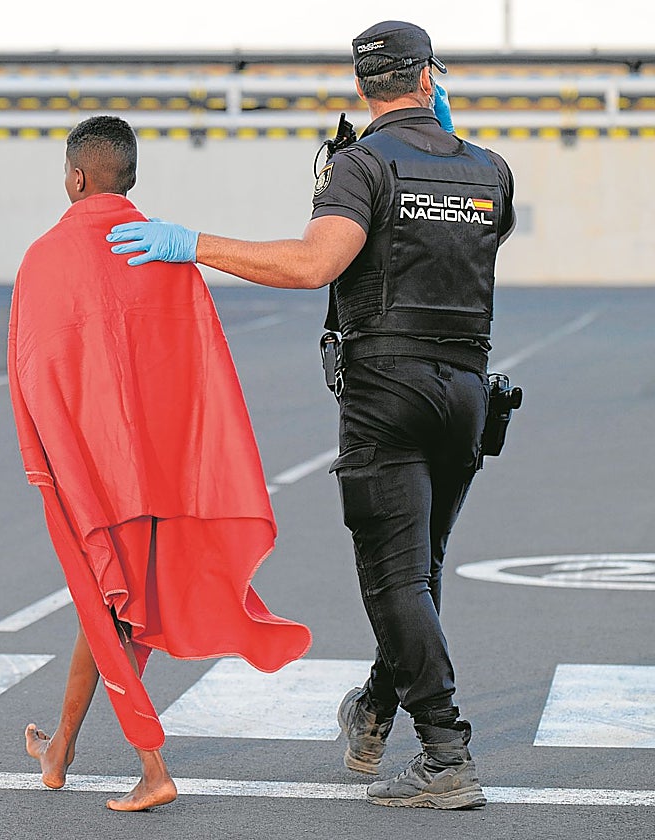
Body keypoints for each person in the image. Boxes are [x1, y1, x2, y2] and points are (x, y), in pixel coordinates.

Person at [105, 22, 516, 811]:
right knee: (419, 577)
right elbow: (472, 234)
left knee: (397, 581)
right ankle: (375, 707)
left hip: (387, 391)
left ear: (365, 89)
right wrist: (446, 154)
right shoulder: (491, 169)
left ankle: (445, 752)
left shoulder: (361, 166)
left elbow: (313, 264)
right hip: (466, 390)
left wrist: (192, 243)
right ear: (430, 78)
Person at [8, 114, 312, 811]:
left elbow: (32, 371)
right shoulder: (164, 251)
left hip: (88, 471)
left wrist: (48, 465)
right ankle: (59, 749)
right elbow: (198, 369)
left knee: (104, 597)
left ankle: (154, 770)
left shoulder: (45, 257)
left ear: (76, 177)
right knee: (116, 603)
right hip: (164, 470)